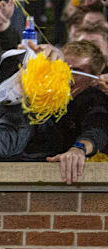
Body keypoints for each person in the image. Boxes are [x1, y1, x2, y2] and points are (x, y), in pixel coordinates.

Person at [23, 40, 108, 184]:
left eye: (76, 71)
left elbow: (97, 128)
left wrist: (79, 149)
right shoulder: (40, 92)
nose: (66, 75)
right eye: (63, 67)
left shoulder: (94, 98)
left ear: (95, 79)